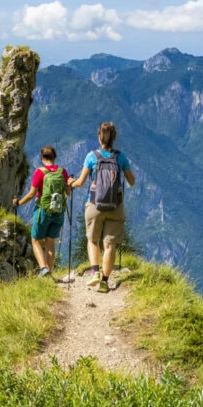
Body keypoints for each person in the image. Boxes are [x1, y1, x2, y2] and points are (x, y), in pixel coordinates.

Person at [68, 122, 135, 293]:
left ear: (99, 136)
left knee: (92, 240)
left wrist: (71, 183)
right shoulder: (121, 158)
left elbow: (81, 182)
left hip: (94, 204)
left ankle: (94, 272)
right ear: (114, 138)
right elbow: (132, 181)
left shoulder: (92, 156)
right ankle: (104, 282)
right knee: (110, 245)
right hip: (116, 205)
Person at [13, 145, 71, 277]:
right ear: (54, 157)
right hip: (58, 213)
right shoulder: (62, 172)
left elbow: (32, 194)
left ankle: (43, 268)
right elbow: (68, 192)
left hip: (43, 212)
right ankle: (49, 273)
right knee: (50, 243)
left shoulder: (40, 172)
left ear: (42, 158)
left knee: (35, 241)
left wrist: (19, 203)